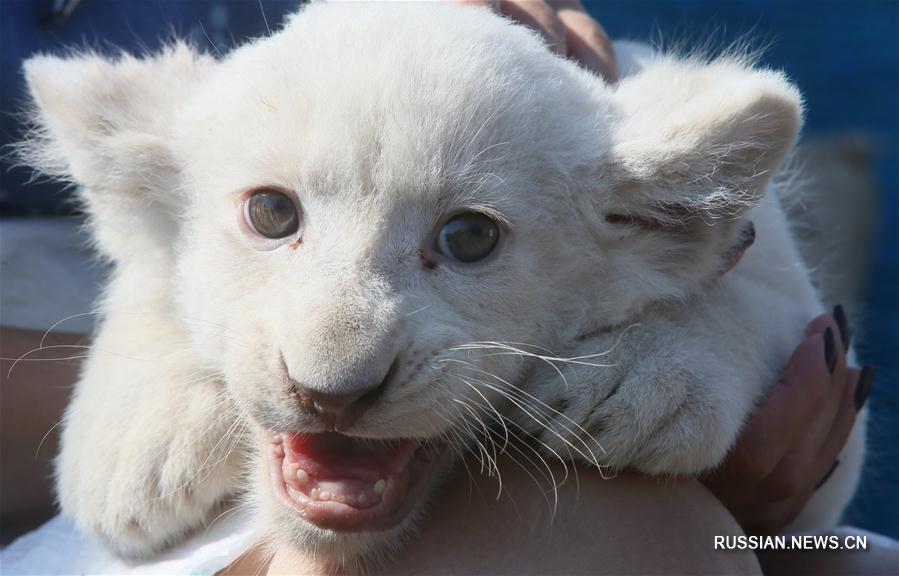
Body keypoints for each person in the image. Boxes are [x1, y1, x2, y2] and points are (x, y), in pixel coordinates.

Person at [0, 1, 893, 574]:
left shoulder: (611, 145)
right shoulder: (179, 154)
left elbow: (808, 493)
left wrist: (719, 338)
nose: (330, 367)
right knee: (651, 544)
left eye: (468, 239)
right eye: (272, 214)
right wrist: (156, 340)